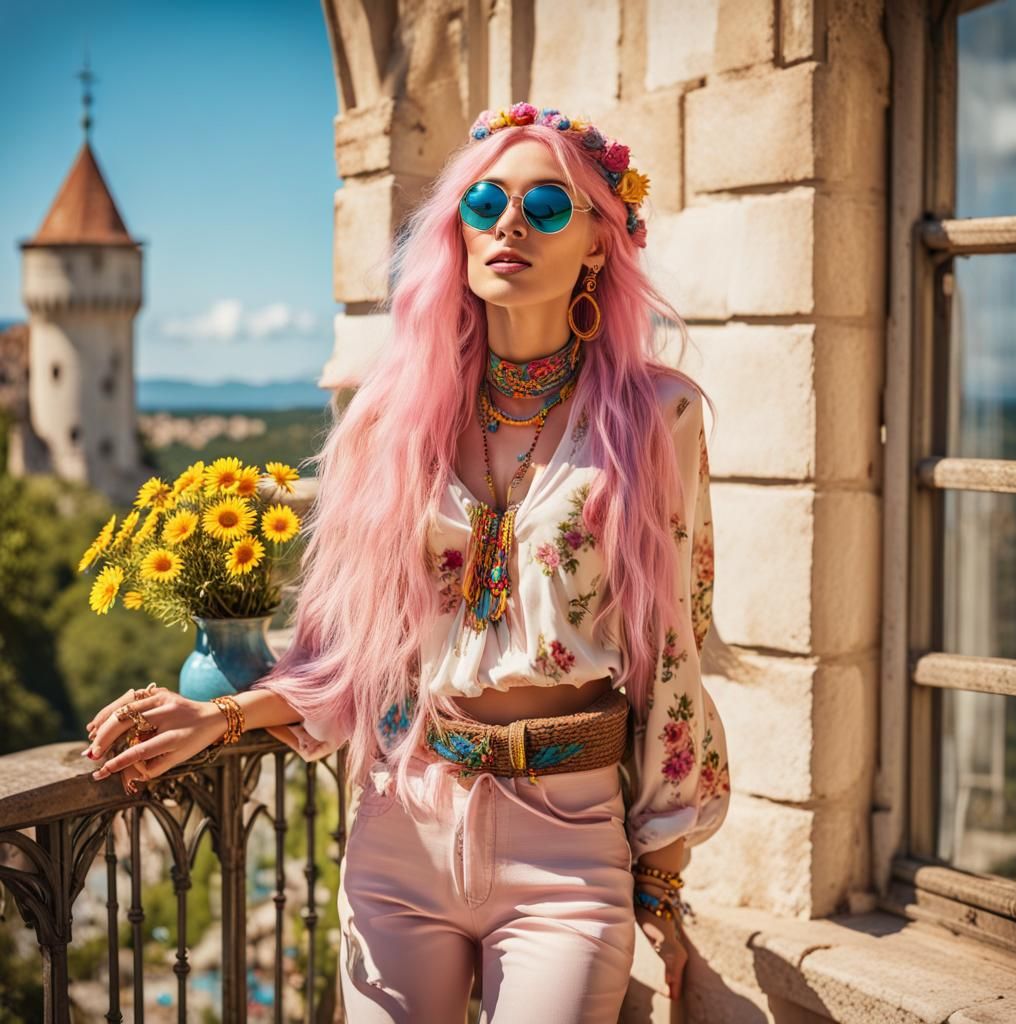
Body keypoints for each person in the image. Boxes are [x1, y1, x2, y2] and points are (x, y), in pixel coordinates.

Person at [84, 101, 731, 1022]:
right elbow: (346, 653)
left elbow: (676, 647)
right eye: (484, 203)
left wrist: (662, 872)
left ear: (598, 241)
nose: (510, 222)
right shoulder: (388, 421)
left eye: (548, 205)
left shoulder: (659, 417)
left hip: (568, 843)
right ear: (457, 234)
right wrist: (218, 716)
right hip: (400, 829)